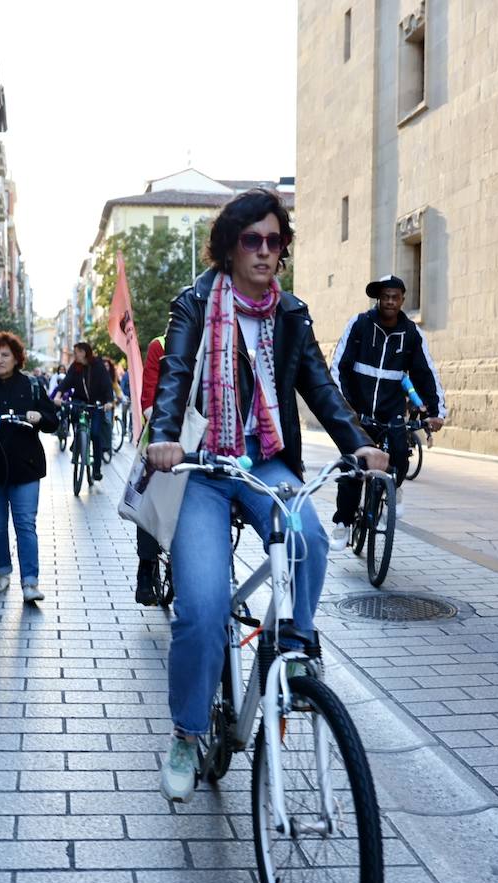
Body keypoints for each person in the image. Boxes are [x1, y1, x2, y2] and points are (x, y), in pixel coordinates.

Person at [144, 188, 388, 803]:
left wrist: (357, 443)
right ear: (228, 247)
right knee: (202, 606)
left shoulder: (290, 314)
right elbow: (174, 375)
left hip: (267, 462)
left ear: (283, 251)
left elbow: (321, 387)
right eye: (250, 239)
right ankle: (185, 731)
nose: (262, 250)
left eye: (273, 240)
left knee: (307, 535)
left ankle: (297, 642)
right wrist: (165, 437)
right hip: (201, 468)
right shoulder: (196, 303)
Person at [328, 274, 446, 543]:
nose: (390, 301)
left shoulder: (412, 334)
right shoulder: (359, 325)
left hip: (391, 410)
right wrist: (344, 408)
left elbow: (425, 372)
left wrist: (435, 412)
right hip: (358, 410)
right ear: (378, 299)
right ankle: (343, 523)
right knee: (353, 467)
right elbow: (339, 368)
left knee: (400, 455)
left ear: (403, 300)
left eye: (395, 296)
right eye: (385, 296)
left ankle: (393, 490)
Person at [0, 330, 59, 602]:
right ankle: (2, 572)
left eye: (5, 355)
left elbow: (53, 421)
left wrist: (39, 417)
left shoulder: (31, 385)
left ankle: (30, 582)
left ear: (16, 358)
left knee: (25, 525)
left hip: (25, 467)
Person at [133, 334, 166, 606]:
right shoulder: (161, 345)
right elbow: (149, 399)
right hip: (161, 436)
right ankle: (146, 567)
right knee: (149, 502)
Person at [53, 341, 114, 481]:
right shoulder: (75, 367)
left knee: (95, 434)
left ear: (84, 352)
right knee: (74, 412)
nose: (74, 355)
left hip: (96, 403)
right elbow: (66, 382)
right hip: (80, 401)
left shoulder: (98, 365)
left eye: (76, 352)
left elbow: (106, 384)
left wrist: (109, 402)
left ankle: (97, 469)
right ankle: (78, 438)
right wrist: (58, 395)